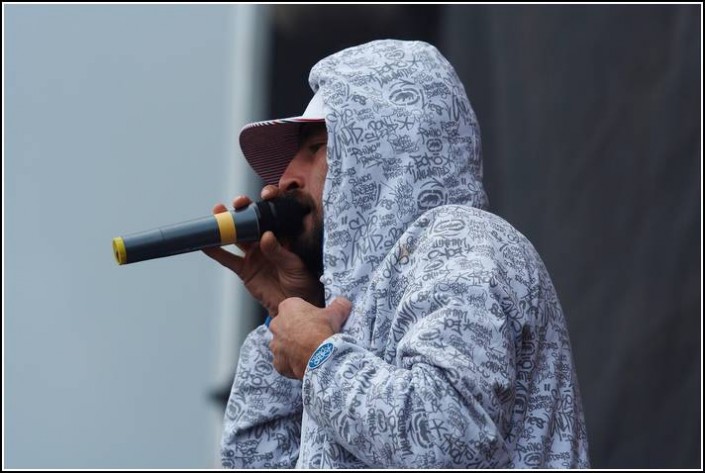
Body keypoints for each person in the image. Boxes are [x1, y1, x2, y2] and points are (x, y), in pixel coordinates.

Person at [205, 39, 590, 468]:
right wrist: (292, 312)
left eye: (316, 148)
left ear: (390, 144)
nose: (286, 178)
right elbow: (254, 462)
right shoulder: (356, 309)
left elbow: (446, 442)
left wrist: (320, 355)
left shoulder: (462, 242)